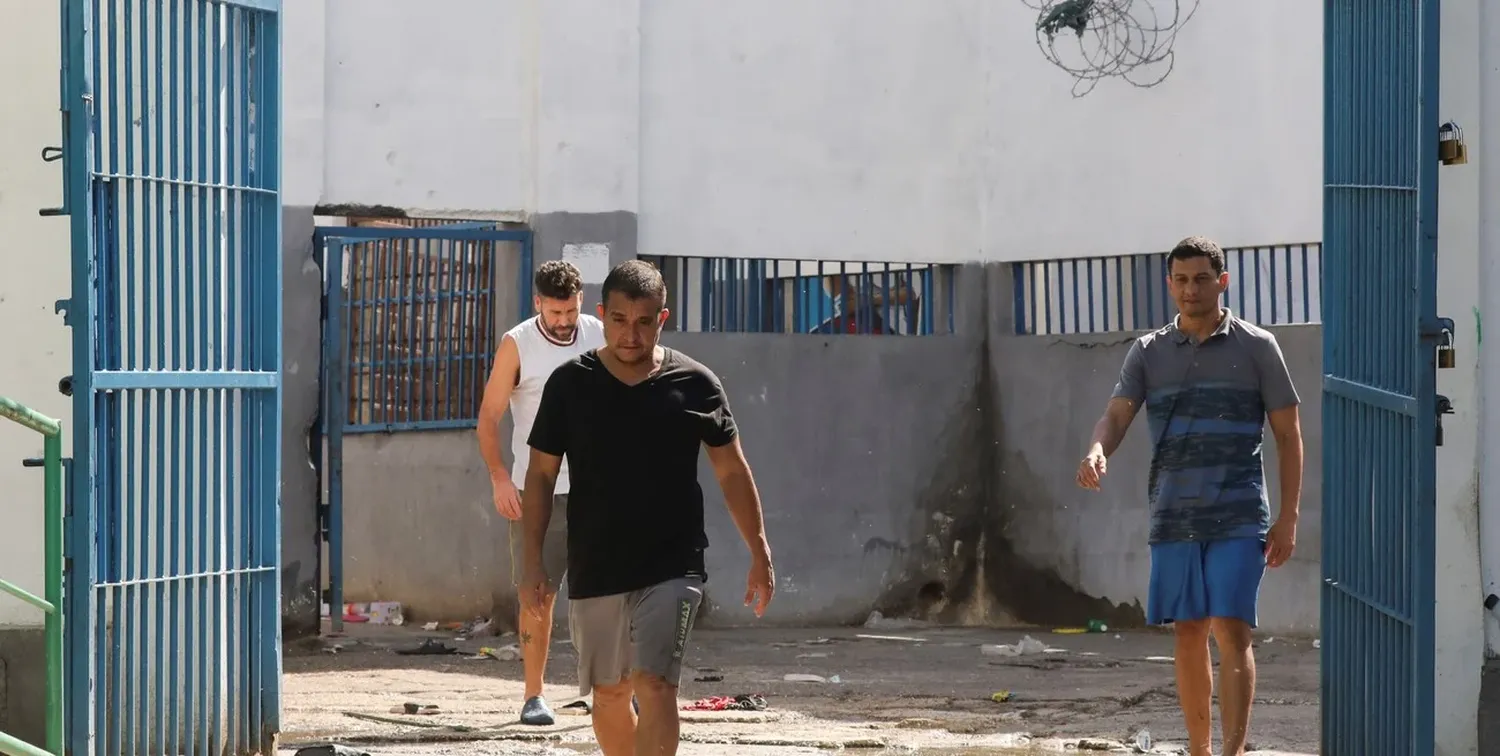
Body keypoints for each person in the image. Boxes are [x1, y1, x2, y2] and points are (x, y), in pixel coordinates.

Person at [520, 259, 776, 756]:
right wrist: (532, 562)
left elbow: (732, 471)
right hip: (596, 564)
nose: (630, 334)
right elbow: (541, 476)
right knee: (610, 694)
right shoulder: (570, 384)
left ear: (663, 318)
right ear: (602, 315)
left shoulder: (696, 384)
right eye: (619, 320)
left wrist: (759, 550)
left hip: (672, 564)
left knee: (656, 684)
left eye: (643, 321)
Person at [1075, 236, 1303, 756]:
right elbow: (1116, 415)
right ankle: (1199, 750)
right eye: (1180, 280)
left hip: (1239, 514)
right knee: (1187, 632)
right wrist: (1096, 450)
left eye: (1201, 279)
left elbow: (1289, 434)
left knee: (1231, 630)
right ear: (1169, 284)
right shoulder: (1149, 352)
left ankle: (1232, 751)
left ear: (1222, 282)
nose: (1190, 289)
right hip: (1174, 514)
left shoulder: (1257, 347)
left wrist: (1288, 517)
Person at [477, 260, 605, 726]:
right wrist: (498, 477)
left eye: (570, 311)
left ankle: (613, 690)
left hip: (598, 489)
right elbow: (489, 416)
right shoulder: (518, 344)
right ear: (538, 305)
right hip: (538, 490)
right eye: (555, 313)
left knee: (609, 593)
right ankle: (534, 696)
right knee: (537, 594)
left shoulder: (598, 332)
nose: (564, 321)